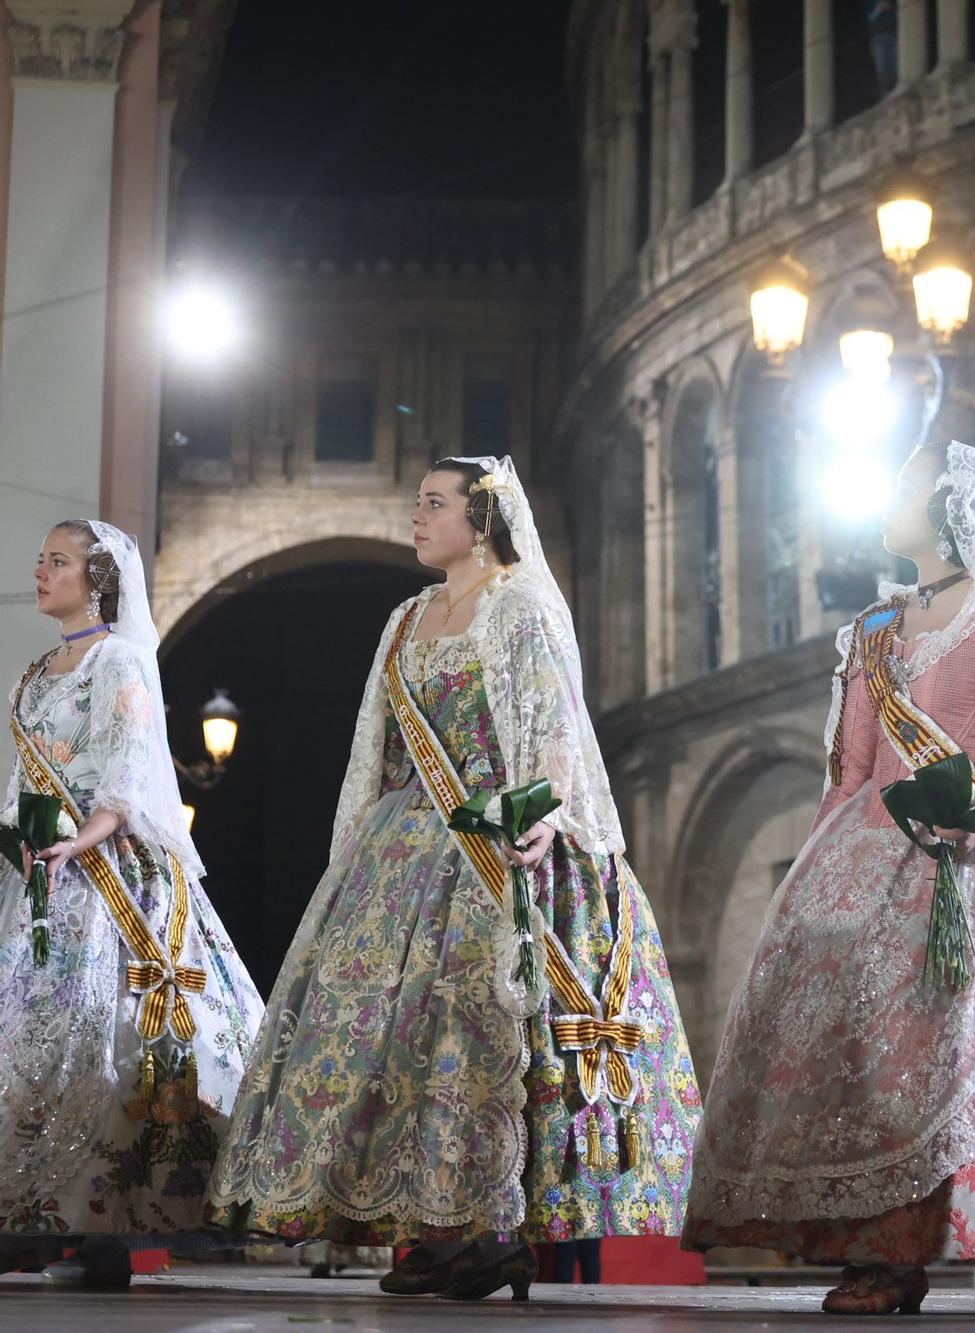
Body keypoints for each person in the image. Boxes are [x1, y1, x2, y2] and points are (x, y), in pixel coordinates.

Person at [682, 441, 975, 1316]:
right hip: (871, 849)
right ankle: (881, 1250)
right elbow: (851, 771)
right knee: (860, 1048)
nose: (886, 494)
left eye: (903, 483)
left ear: (948, 509)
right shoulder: (872, 630)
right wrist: (821, 880)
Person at [208, 457, 701, 1302]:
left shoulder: (521, 603)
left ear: (483, 519)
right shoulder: (406, 616)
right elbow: (383, 741)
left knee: (480, 1033)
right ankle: (428, 1222)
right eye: (418, 501)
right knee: (391, 1034)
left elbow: (553, 720)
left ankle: (491, 1225)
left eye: (433, 503)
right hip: (404, 841)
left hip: (498, 835)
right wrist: (361, 844)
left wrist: (540, 817)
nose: (416, 514)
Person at [0, 521, 265, 1287]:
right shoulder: (37, 670)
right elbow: (24, 778)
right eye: (41, 557)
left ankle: (103, 1221)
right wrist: (22, 836)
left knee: (114, 1041)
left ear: (98, 577)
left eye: (57, 560)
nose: (41, 569)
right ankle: (39, 1211)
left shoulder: (118, 658)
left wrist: (84, 840)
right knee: (35, 1041)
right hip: (46, 871)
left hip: (110, 871)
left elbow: (125, 766)